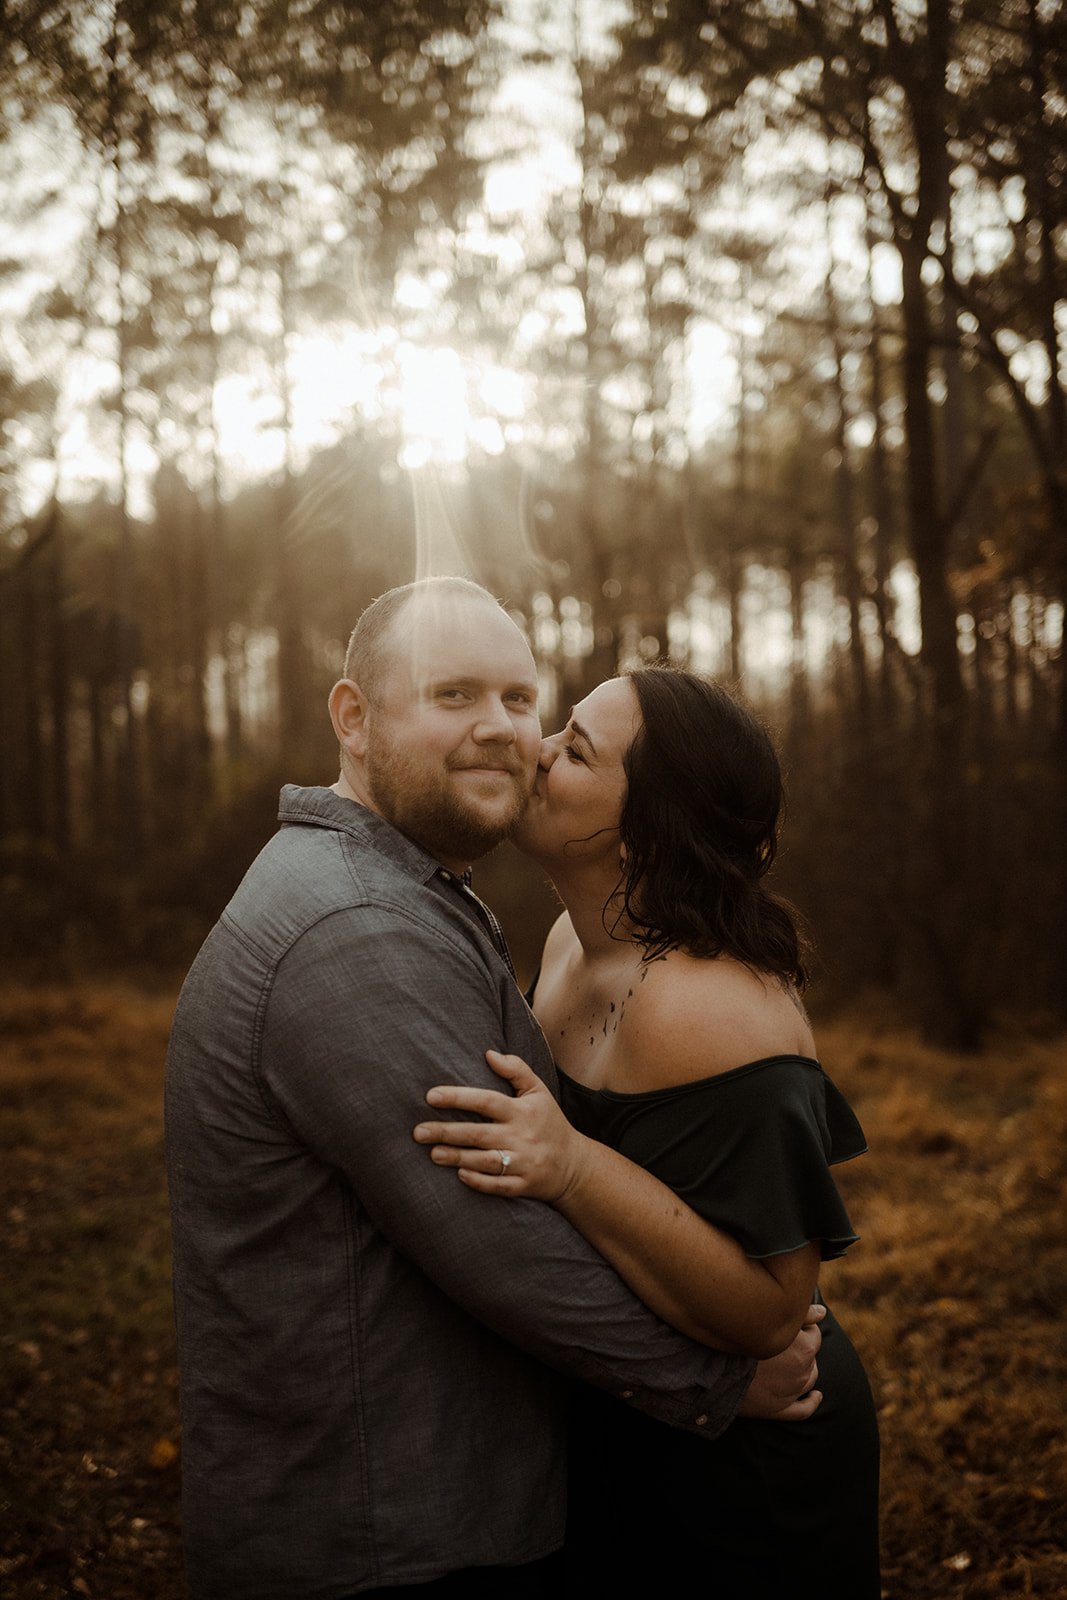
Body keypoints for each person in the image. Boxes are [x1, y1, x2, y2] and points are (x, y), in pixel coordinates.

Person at [165, 579, 825, 1600]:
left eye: (521, 700)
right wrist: (718, 1379)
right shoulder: (355, 930)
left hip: (436, 1500)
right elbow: (497, 1245)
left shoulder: (408, 895)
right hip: (382, 1525)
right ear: (354, 717)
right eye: (453, 693)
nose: (505, 731)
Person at [414, 666, 881, 1599]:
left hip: (755, 1463)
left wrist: (572, 1165)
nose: (535, 750)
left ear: (645, 834)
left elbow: (770, 1313)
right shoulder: (565, 940)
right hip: (643, 1415)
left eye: (576, 750)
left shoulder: (709, 1009)